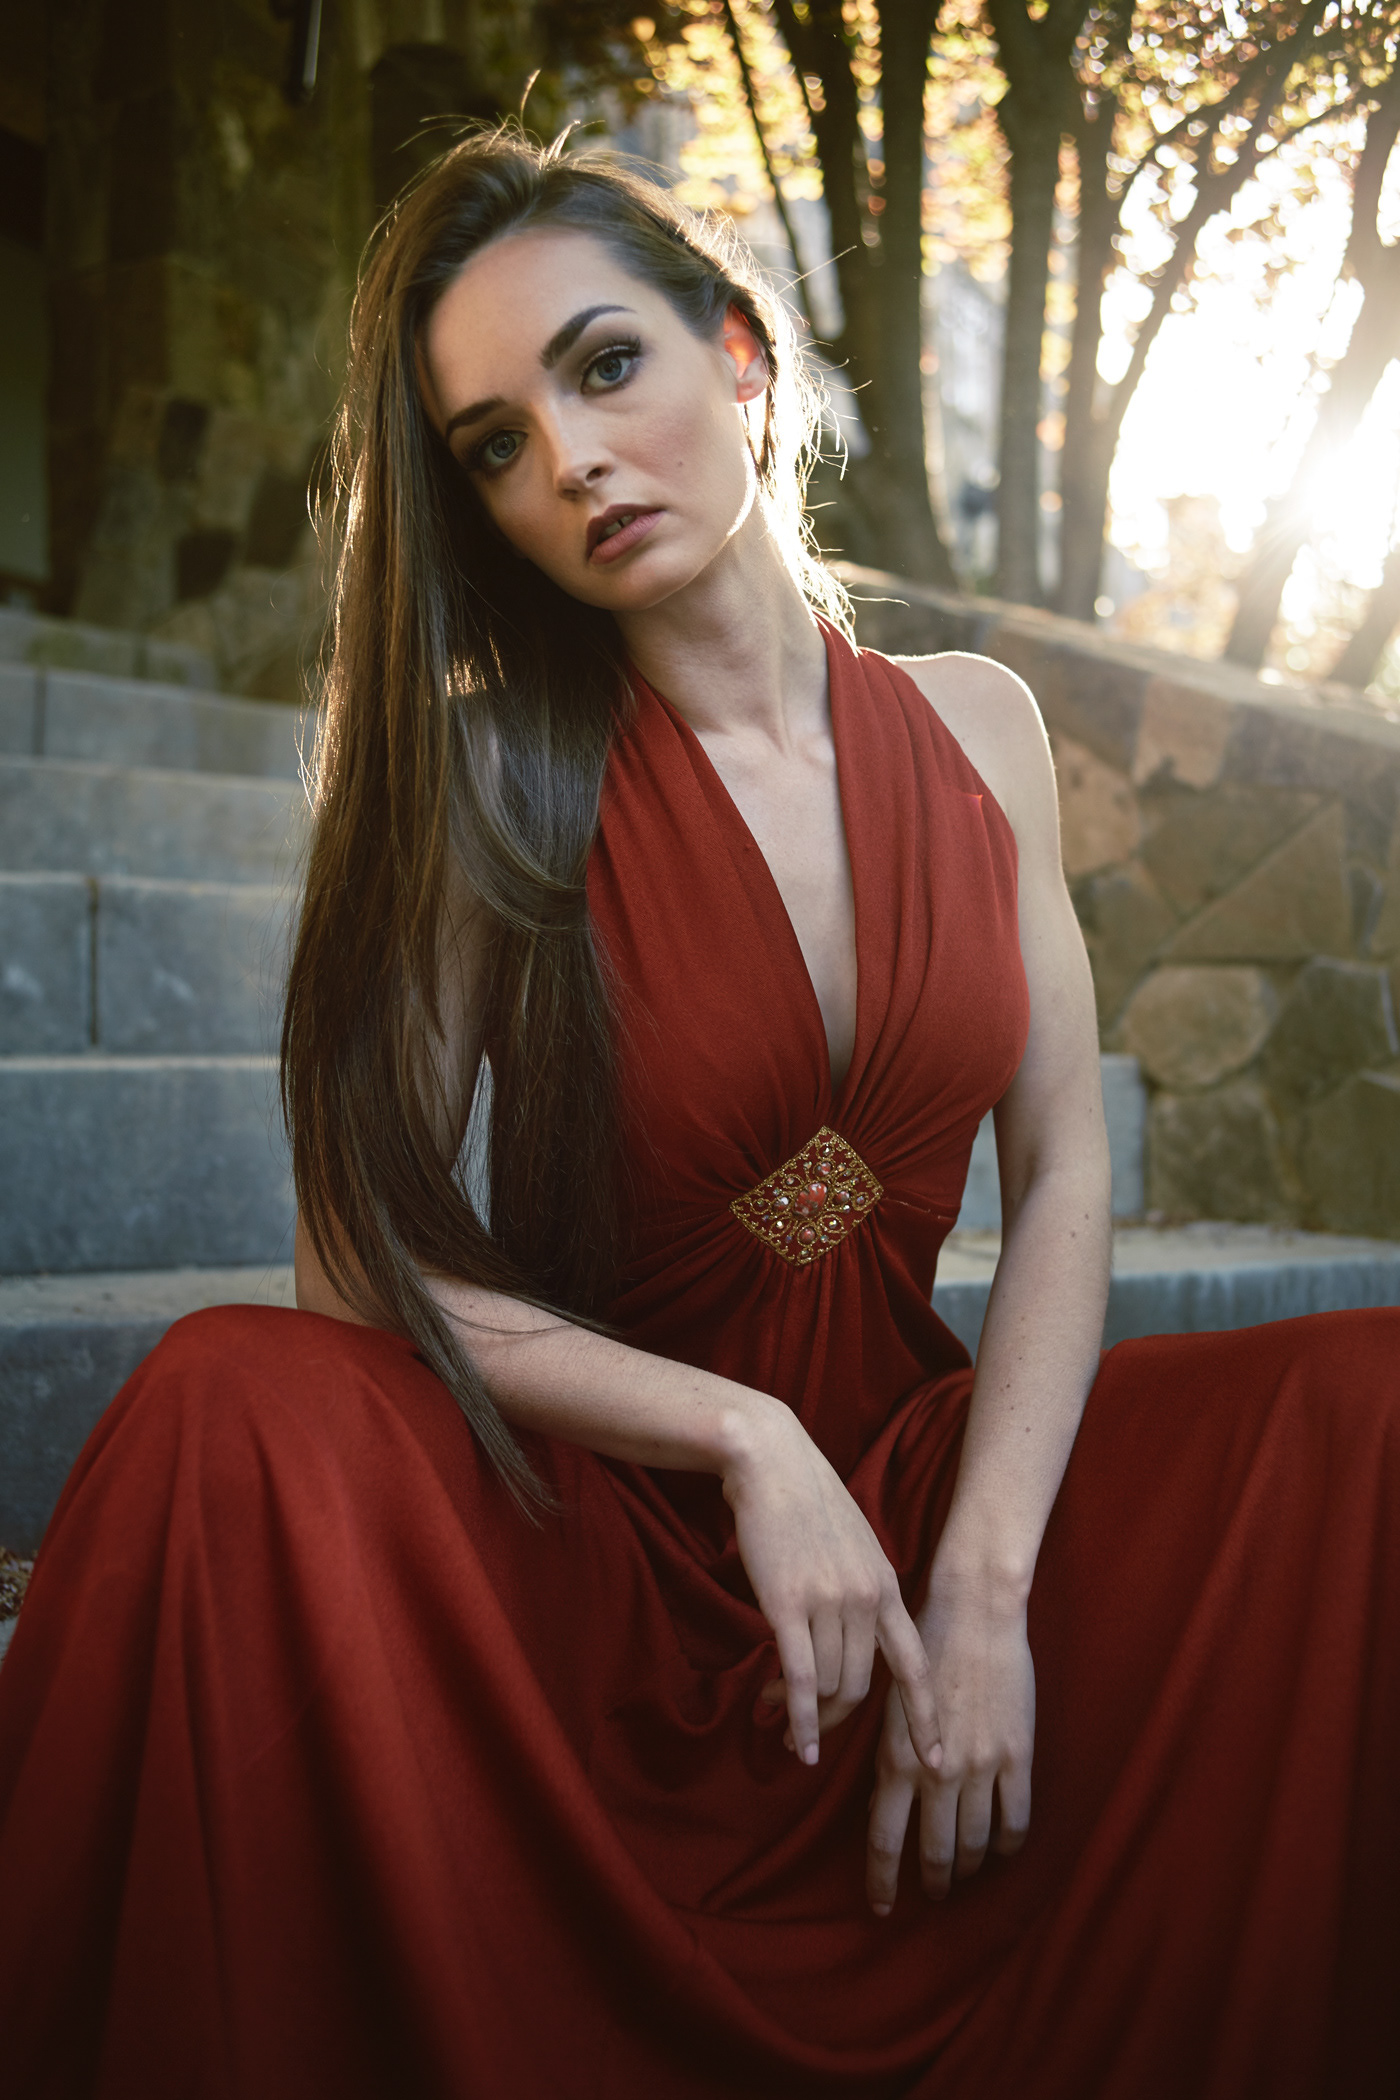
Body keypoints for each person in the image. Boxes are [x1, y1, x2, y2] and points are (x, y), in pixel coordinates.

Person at [0, 130, 1396, 2100]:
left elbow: (1066, 1162)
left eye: (600, 367)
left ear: (734, 355)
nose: (566, 459)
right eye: (490, 444)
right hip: (620, 1549)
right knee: (222, 1401)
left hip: (921, 1480)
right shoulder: (495, 784)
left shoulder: (981, 726)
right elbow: (357, 1263)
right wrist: (736, 1431)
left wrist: (985, 1579)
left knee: (1372, 1412)